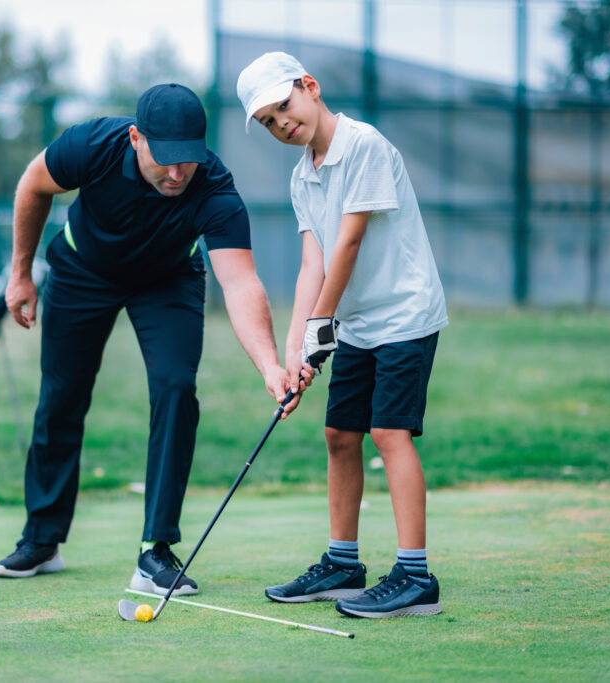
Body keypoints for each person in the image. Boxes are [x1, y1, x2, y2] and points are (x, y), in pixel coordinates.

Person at [0, 83, 295, 596]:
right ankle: (42, 541)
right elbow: (33, 185)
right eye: (166, 159)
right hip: (82, 269)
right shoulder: (92, 145)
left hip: (167, 280)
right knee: (61, 397)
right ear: (136, 138)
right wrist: (21, 272)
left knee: (177, 387)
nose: (177, 174)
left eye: (188, 161)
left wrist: (269, 365)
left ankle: (155, 550)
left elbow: (241, 282)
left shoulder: (216, 188)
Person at [236, 52, 448, 618]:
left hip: (403, 313)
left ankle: (413, 575)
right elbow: (314, 264)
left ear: (310, 87)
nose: (282, 123)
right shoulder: (302, 174)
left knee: (388, 433)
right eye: (268, 122)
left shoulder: (365, 146)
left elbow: (349, 245)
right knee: (338, 433)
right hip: (354, 321)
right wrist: (291, 353)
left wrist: (319, 330)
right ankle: (343, 563)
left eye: (284, 106)